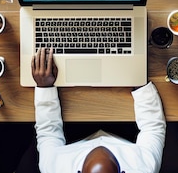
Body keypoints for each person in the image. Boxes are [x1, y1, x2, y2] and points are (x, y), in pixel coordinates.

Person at [31, 47, 166, 173]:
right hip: (122, 132)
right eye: (108, 155)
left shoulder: (53, 168)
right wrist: (138, 81)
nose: (100, 150)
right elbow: (153, 128)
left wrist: (44, 87)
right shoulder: (144, 168)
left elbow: (48, 132)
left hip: (75, 134)